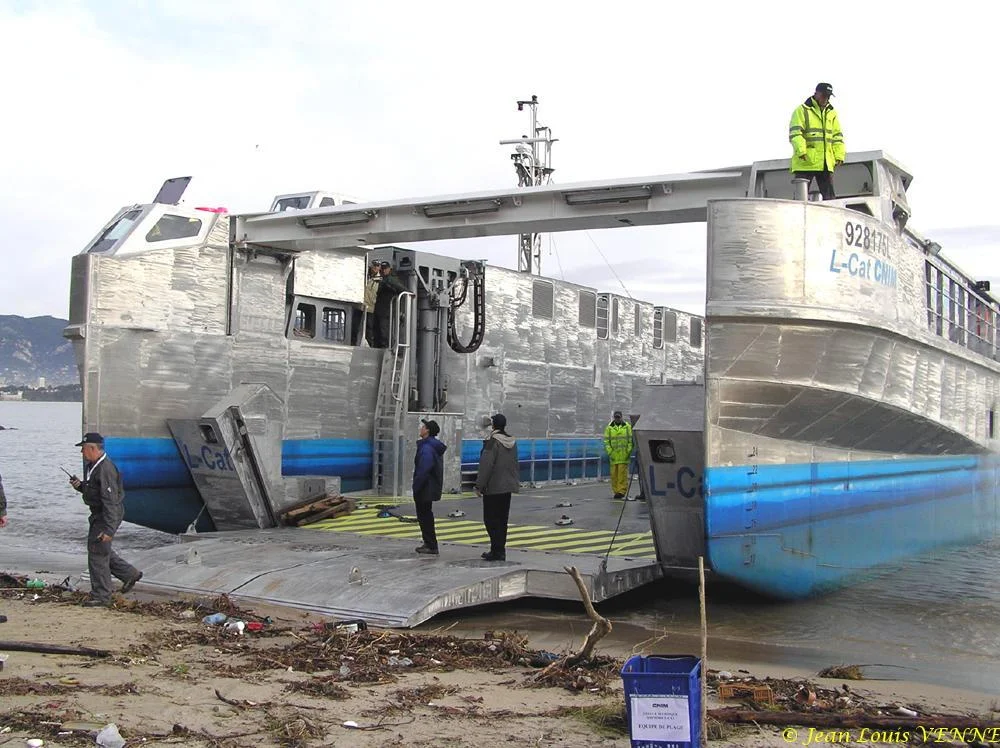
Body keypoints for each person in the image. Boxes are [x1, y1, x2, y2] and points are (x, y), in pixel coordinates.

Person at [68, 433, 143, 607]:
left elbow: (110, 501)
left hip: (106, 515)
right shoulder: (95, 466)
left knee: (97, 554)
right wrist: (80, 486)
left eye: (83, 448)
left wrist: (109, 529)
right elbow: (95, 492)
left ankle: (102, 596)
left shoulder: (105, 469)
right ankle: (129, 574)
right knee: (101, 549)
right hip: (101, 514)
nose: (81, 452)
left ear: (93, 448)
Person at [789, 82, 846, 201]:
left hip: (825, 162)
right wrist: (801, 151)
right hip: (806, 161)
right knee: (800, 199)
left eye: (829, 96)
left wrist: (839, 155)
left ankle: (832, 218)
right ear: (816, 94)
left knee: (830, 199)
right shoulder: (802, 110)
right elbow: (795, 133)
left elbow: (837, 136)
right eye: (824, 95)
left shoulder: (832, 113)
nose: (826, 99)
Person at [475, 414, 520, 561]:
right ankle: (500, 550)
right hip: (507, 487)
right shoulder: (512, 442)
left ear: (493, 425)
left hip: (494, 486)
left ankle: (496, 550)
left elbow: (486, 465)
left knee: (490, 519)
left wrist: (479, 485)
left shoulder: (492, 442)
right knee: (502, 520)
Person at [412, 419, 446, 555]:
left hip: (425, 487)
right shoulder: (432, 446)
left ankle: (431, 545)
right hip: (430, 487)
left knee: (424, 516)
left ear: (427, 431)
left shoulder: (426, 448)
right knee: (427, 515)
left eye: (423, 427)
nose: (421, 428)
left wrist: (416, 486)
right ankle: (429, 543)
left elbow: (424, 469)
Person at [373, 261, 408, 348]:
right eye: (382, 269)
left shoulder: (391, 279)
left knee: (384, 331)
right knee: (378, 331)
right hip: (380, 309)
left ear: (389, 269)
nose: (383, 271)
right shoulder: (382, 279)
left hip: (387, 310)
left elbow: (402, 289)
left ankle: (386, 347)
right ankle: (381, 346)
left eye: (385, 269)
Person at [603, 411, 633, 499]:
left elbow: (630, 441)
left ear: (621, 417)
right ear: (614, 417)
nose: (617, 419)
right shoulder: (609, 428)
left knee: (622, 475)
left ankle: (621, 491)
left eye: (619, 417)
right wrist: (610, 452)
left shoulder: (627, 427)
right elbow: (606, 442)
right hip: (613, 456)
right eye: (616, 417)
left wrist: (628, 452)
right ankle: (616, 491)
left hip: (623, 456)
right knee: (614, 475)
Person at [360, 259, 381, 347]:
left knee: (369, 327)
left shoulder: (380, 280)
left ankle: (370, 345)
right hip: (361, 305)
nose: (376, 267)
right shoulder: (364, 275)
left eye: (377, 266)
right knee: (356, 325)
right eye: (374, 265)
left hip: (371, 306)